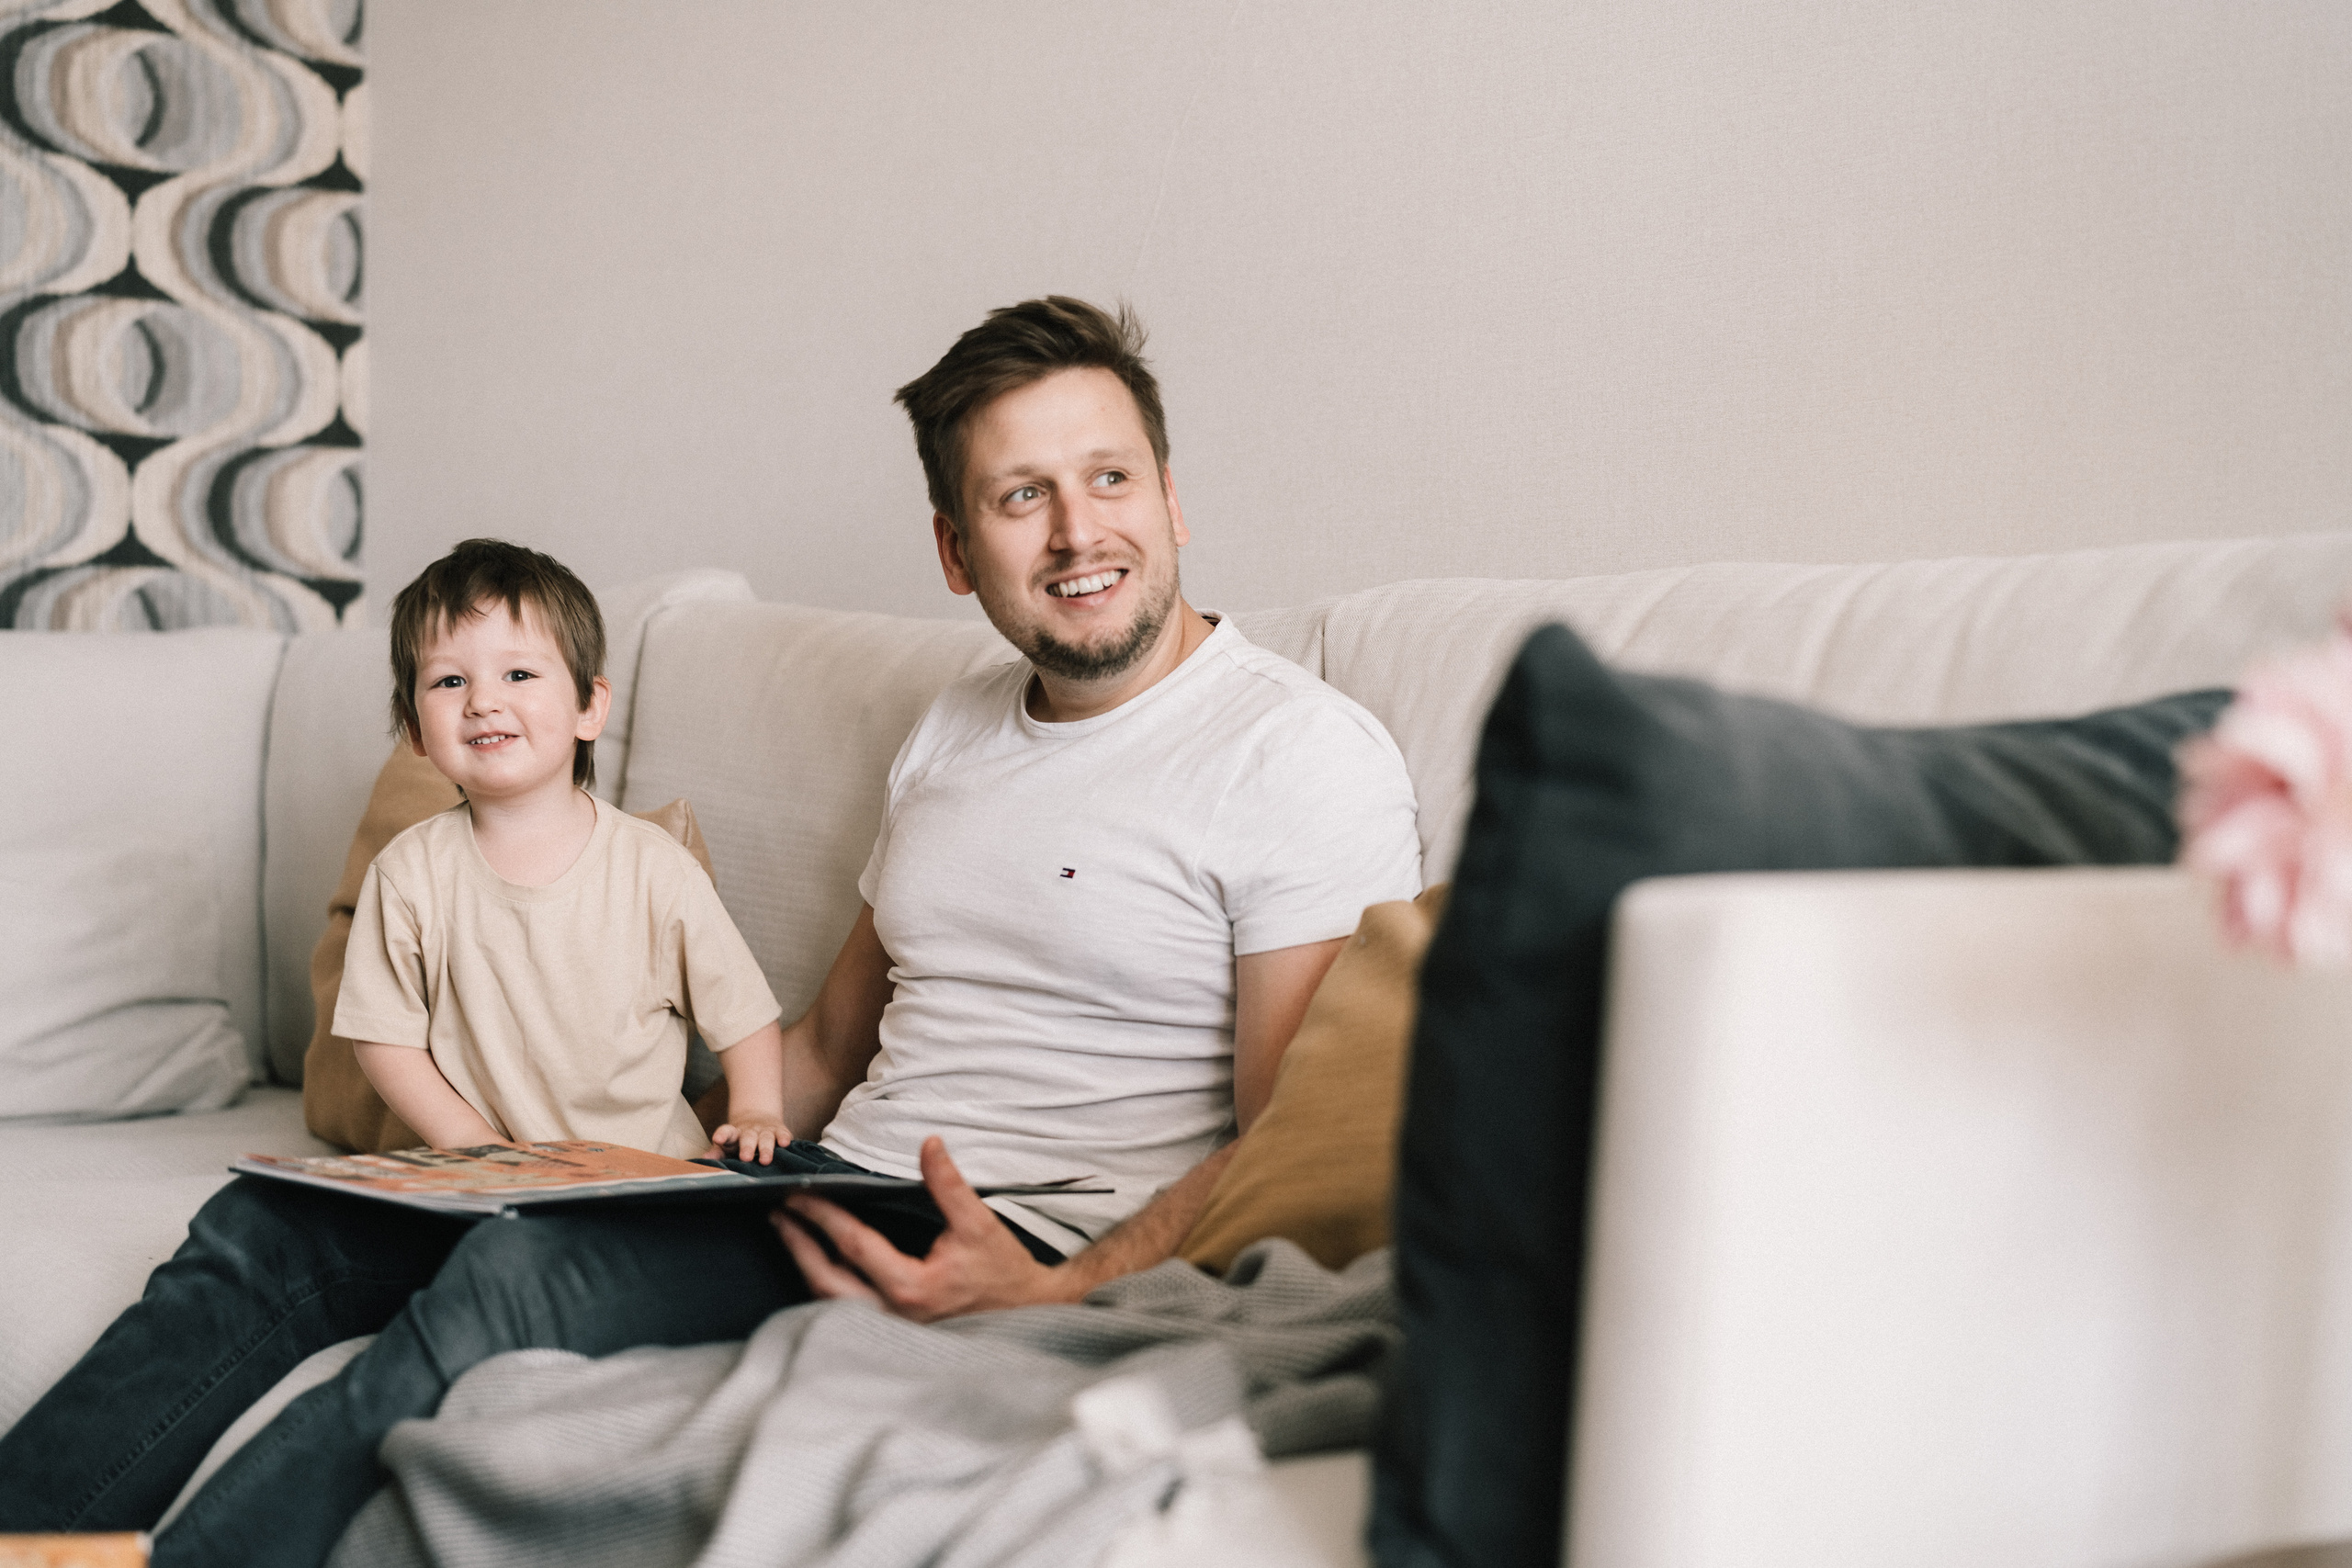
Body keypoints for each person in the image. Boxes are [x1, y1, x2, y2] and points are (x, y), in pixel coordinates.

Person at [0, 297, 1421, 1567]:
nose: (1076, 531)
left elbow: (1283, 1139)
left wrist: (1053, 1283)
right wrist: (597, 1149)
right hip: (808, 1175)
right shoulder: (957, 730)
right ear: (953, 545)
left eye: (1109, 479)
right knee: (283, 1217)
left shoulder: (1292, 751)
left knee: (522, 1274)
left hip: (999, 1223)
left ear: (1173, 497)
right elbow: (815, 1046)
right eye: (1020, 495)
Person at [345, 536, 789, 1164]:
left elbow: (743, 1013)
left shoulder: (653, 867)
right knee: (258, 1214)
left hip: (643, 1176)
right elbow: (383, 1040)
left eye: (518, 673)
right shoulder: (407, 874)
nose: (482, 700)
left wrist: (756, 1110)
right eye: (449, 680)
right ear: (416, 730)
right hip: (485, 1177)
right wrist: (478, 1149)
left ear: (588, 706)